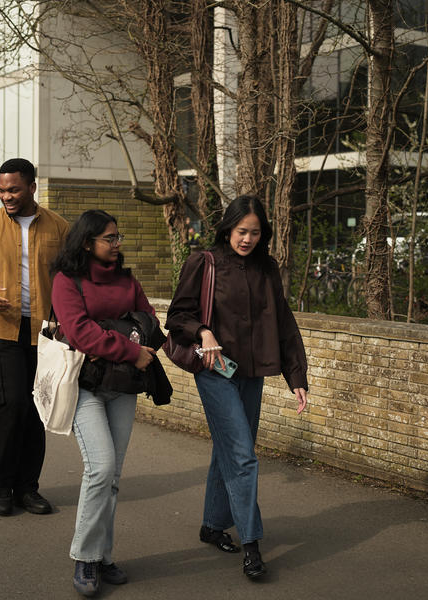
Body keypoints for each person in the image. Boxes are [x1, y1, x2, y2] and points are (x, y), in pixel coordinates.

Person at [166, 195, 308, 579]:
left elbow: (284, 322)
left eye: (255, 232)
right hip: (215, 371)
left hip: (252, 373)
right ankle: (251, 543)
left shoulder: (267, 268)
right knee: (243, 455)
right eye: (241, 231)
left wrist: (297, 378)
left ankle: (212, 525)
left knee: (229, 450)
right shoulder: (204, 262)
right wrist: (204, 330)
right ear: (227, 228)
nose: (247, 239)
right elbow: (177, 315)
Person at [50, 210, 158, 596]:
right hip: (85, 387)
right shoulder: (67, 280)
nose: (117, 244)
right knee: (101, 467)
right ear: (86, 242)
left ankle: (102, 555)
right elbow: (79, 333)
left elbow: (150, 323)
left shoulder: (127, 280)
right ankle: (84, 556)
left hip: (123, 386)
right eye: (109, 238)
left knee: (112, 477)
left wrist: (113, 343)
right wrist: (128, 347)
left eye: (118, 237)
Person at [0, 158, 69, 517]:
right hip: (1, 329)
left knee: (37, 410)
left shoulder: (58, 227)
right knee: (10, 407)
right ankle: (1, 487)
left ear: (32, 188)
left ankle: (28, 488)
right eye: (2, 189)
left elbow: (72, 277)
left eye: (14, 189)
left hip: (46, 333)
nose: (6, 196)